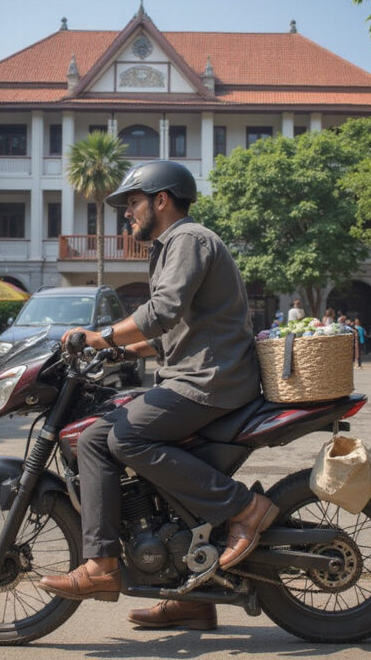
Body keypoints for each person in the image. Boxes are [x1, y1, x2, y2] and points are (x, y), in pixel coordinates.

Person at [39, 160, 279, 631]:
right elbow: (177, 331)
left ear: (161, 200)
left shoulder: (188, 240)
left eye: (132, 202)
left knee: (121, 439)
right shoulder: (175, 246)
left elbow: (163, 311)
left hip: (209, 380)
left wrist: (96, 336)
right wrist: (119, 354)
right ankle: (175, 591)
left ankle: (244, 508)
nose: (127, 214)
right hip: (194, 374)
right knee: (97, 438)